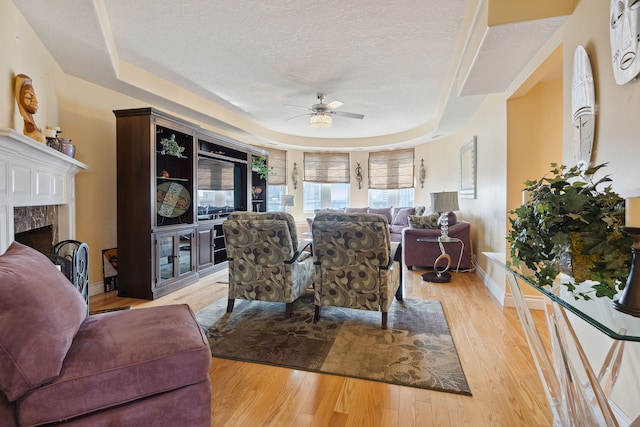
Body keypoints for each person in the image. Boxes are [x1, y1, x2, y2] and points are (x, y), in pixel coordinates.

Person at [14, 74, 45, 143]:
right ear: (20, 99)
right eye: (28, 97)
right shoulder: (30, 128)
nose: (36, 101)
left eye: (34, 96)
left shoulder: (34, 127)